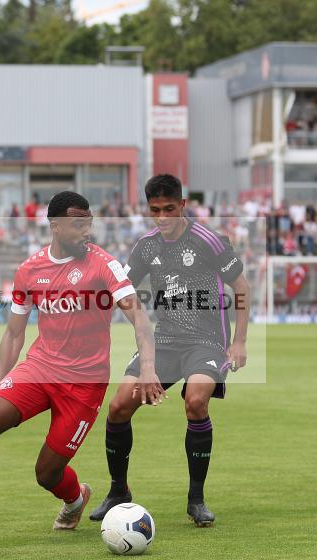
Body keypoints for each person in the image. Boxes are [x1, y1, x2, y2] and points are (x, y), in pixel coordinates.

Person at [0, 191, 163, 535]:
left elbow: (140, 319)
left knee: (47, 473)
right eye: (78, 224)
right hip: (39, 368)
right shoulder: (29, 270)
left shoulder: (104, 265)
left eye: (89, 223)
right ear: (55, 226)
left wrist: (148, 368)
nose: (87, 231)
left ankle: (75, 500)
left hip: (85, 383)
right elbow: (13, 334)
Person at [89, 174, 251, 527]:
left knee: (195, 402)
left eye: (168, 209)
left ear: (182, 206)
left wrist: (239, 341)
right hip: (163, 342)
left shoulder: (209, 240)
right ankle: (118, 490)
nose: (161, 218)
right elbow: (124, 291)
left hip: (205, 341)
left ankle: (196, 499)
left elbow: (241, 286)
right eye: (154, 211)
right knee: (118, 407)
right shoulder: (146, 247)